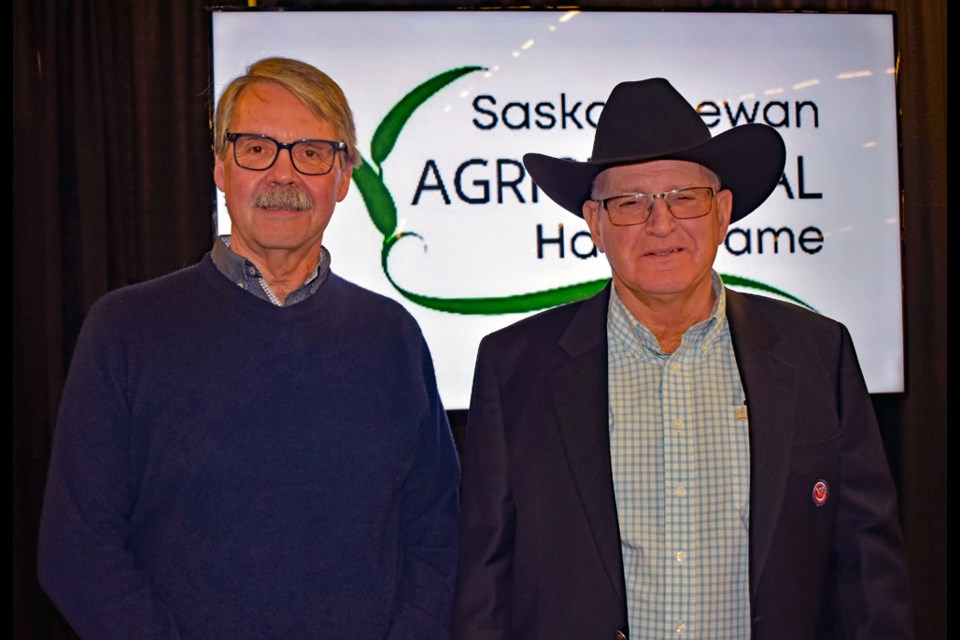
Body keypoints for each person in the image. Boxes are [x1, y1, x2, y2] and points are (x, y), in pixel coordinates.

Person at [453, 79, 911, 639]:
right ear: (595, 225)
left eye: (683, 199)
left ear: (722, 212)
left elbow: (867, 573)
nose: (661, 225)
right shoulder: (513, 366)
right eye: (631, 204)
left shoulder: (818, 352)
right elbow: (485, 580)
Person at [38, 57, 459, 639]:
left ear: (343, 177)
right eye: (257, 148)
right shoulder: (125, 330)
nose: (283, 175)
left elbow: (437, 533)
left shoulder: (391, 337)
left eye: (311, 152)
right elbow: (78, 549)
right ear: (220, 166)